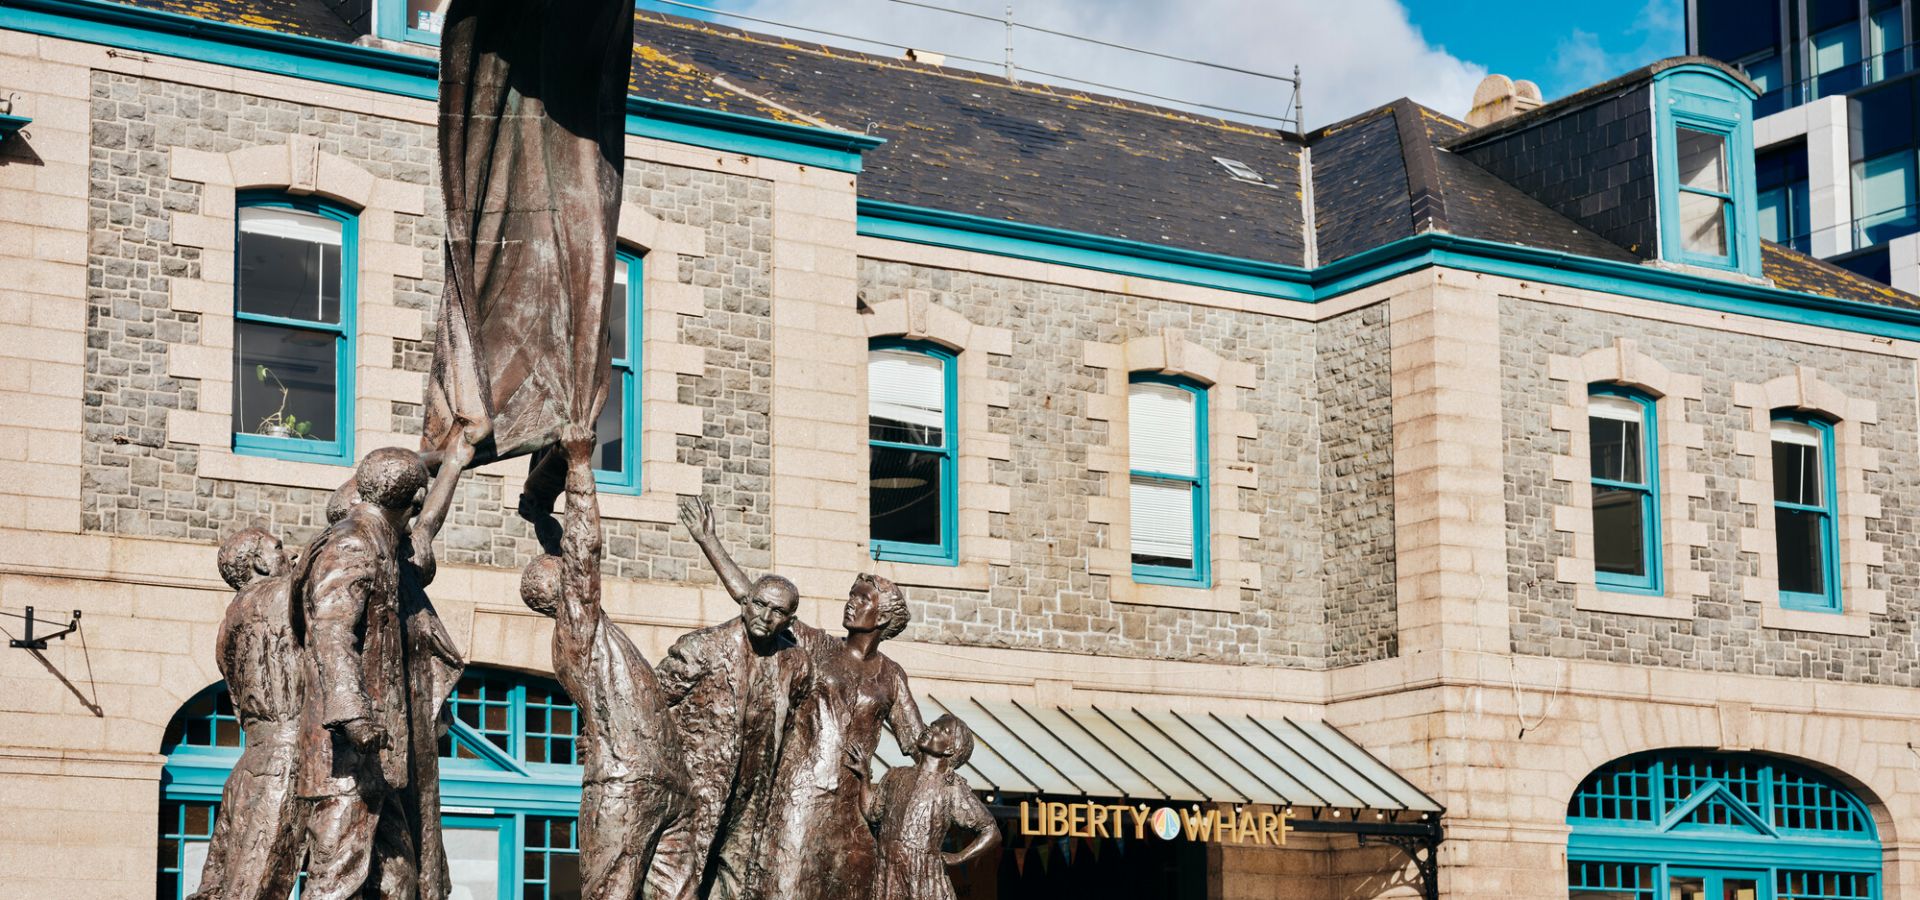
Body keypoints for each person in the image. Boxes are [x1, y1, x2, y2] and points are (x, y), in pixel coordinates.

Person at [518, 426, 694, 900]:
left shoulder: (593, 628)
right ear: (562, 592)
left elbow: (563, 549)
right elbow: (581, 548)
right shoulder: (577, 632)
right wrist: (577, 466)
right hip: (626, 781)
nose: (577, 576)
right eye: (568, 576)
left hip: (666, 782)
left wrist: (539, 518)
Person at [292, 446, 460, 900]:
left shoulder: (380, 542)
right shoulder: (352, 542)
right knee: (336, 883)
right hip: (348, 757)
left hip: (380, 762)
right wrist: (353, 715)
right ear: (414, 498)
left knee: (399, 880)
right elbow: (331, 630)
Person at [659, 497, 813, 900]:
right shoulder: (702, 649)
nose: (765, 615)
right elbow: (649, 704)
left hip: (752, 795)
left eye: (777, 611)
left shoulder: (794, 663)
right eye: (759, 604)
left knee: (737, 885)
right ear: (745, 602)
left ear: (789, 621)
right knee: (680, 884)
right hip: (696, 790)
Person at [753, 573, 928, 899]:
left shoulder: (891, 676)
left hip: (853, 809)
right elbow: (755, 599)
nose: (851, 603)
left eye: (863, 599)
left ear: (884, 616)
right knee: (784, 888)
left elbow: (919, 746)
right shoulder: (819, 645)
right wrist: (710, 543)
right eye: (851, 595)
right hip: (800, 796)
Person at [187, 528, 305, 900]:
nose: (291, 555)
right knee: (256, 885)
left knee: (218, 885)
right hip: (287, 759)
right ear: (258, 561)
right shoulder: (280, 596)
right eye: (279, 548)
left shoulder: (228, 625)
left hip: (249, 765)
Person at [868, 715, 1000, 900]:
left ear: (950, 748)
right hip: (888, 867)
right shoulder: (895, 775)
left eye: (942, 730)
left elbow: (991, 831)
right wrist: (862, 778)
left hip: (924, 875)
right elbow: (872, 813)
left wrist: (958, 857)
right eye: (933, 724)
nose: (932, 728)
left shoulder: (951, 786)